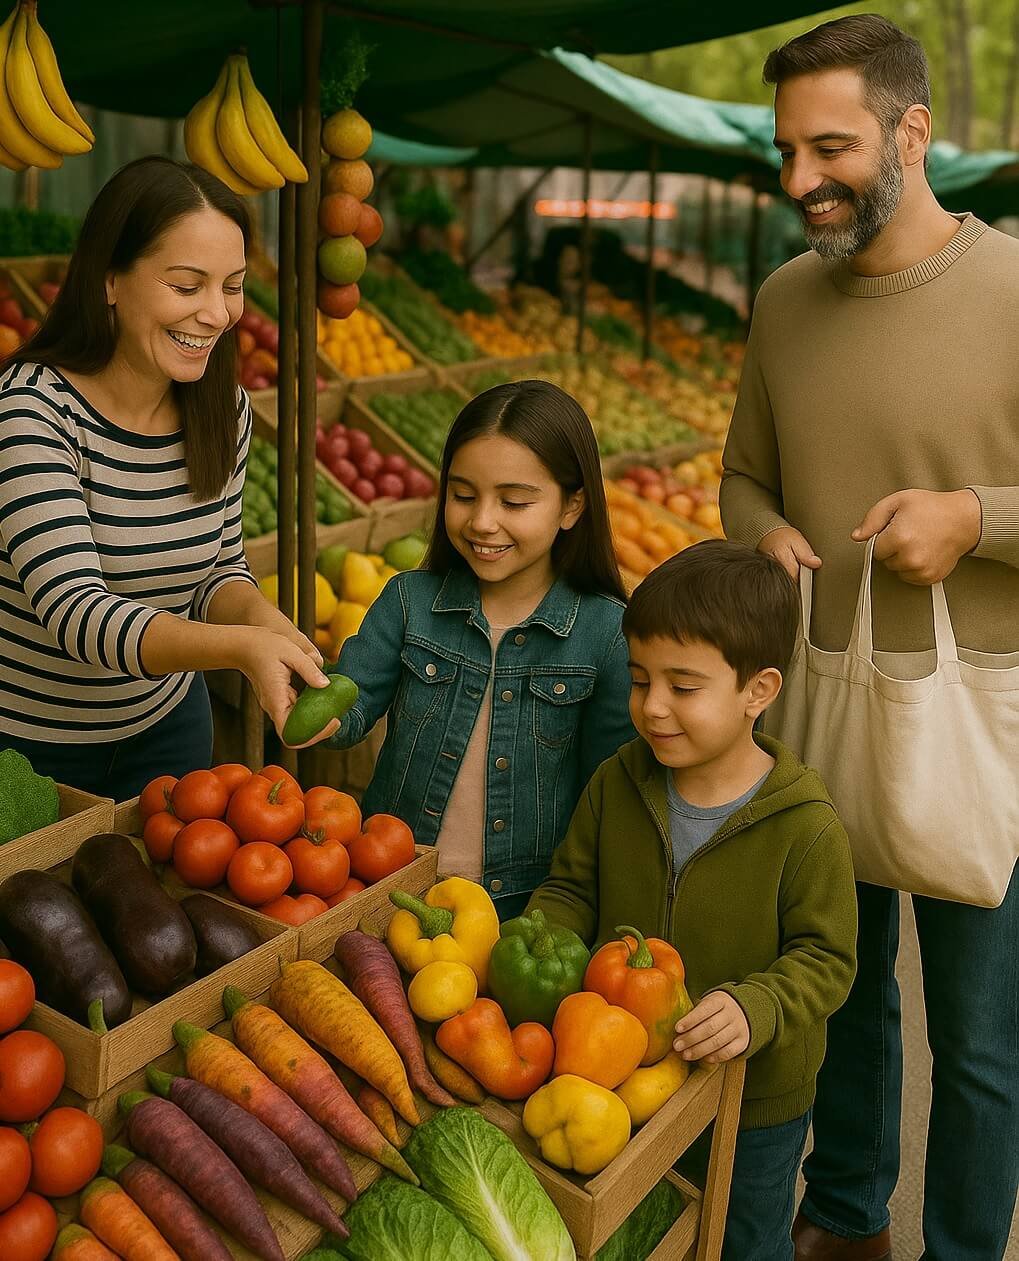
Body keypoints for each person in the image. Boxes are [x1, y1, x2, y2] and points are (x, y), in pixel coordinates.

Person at [720, 15, 1019, 1261]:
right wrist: (763, 529)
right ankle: (846, 1217)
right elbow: (739, 476)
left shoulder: (1011, 290)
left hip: (976, 724)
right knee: (835, 995)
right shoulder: (783, 300)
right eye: (786, 151)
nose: (800, 180)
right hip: (818, 704)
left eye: (829, 148)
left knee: (979, 1039)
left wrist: (972, 519)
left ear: (911, 131)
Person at [528, 541, 857, 1261]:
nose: (651, 707)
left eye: (682, 687)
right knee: (644, 1230)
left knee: (744, 1238)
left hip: (753, 1095)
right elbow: (569, 888)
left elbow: (827, 959)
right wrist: (537, 940)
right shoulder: (618, 782)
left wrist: (755, 1006)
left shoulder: (804, 826)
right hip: (624, 1075)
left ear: (757, 690)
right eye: (639, 679)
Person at [0, 157, 329, 800]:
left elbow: (217, 571)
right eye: (186, 286)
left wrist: (268, 626)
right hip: (30, 753)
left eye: (232, 286)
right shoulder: (31, 410)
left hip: (170, 733)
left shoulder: (223, 409)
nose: (217, 314)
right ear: (110, 280)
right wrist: (240, 649)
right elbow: (76, 613)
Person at [314, 379, 634, 917]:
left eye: (514, 502)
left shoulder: (605, 633)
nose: (482, 522)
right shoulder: (409, 601)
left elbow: (608, 790)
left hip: (523, 908)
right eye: (463, 496)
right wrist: (312, 701)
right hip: (392, 885)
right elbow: (351, 703)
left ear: (572, 506)